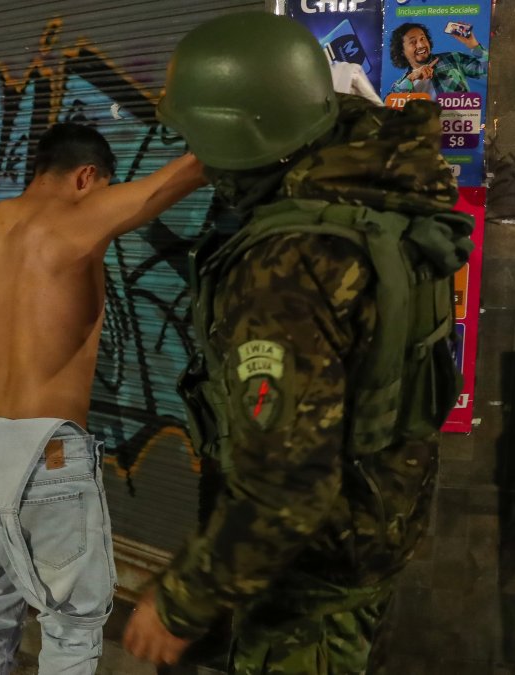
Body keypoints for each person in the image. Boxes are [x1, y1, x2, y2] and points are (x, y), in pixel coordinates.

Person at [122, 12, 472, 673]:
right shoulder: (376, 193)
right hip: (373, 531)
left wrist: (180, 602)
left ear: (240, 132)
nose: (191, 153)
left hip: (312, 584)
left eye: (197, 135)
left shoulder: (286, 270)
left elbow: (287, 485)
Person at [0, 78, 205, 673]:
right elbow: (180, 177)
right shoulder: (83, 215)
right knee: (72, 622)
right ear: (85, 176)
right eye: (102, 183)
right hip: (47, 449)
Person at [389, 22, 487, 96]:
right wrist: (411, 78)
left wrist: (473, 45)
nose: (421, 45)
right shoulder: (402, 83)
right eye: (413, 42)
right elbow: (388, 105)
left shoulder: (452, 59)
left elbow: (489, 70)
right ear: (401, 50)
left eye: (423, 38)